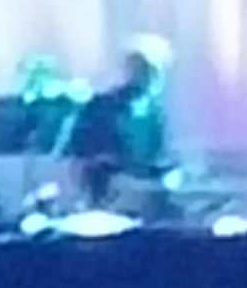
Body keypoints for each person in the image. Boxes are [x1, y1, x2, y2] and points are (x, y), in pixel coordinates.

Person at [69, 36, 180, 211]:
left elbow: (157, 157)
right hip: (109, 197)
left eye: (155, 71)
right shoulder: (101, 107)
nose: (148, 77)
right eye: (142, 69)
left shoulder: (155, 112)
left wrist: (164, 176)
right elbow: (81, 153)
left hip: (143, 198)